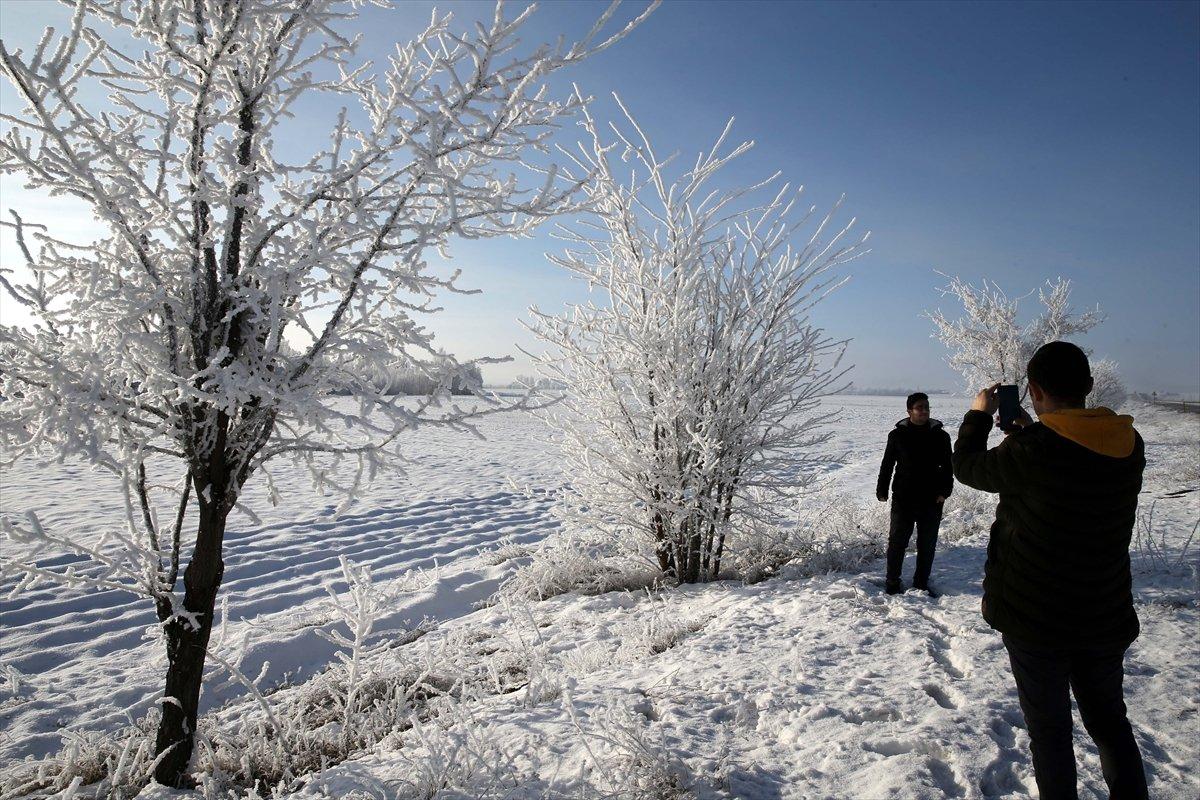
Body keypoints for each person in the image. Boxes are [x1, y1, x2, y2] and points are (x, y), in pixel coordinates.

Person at [953, 341, 1149, 800]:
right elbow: (1071, 457)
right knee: (1109, 723)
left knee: (1051, 731)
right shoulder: (1128, 442)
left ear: (1034, 390)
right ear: (1090, 387)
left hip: (1037, 618)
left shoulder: (1035, 450)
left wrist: (979, 415)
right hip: (1104, 612)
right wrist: (1029, 431)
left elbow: (968, 467)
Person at [876, 392, 953, 595]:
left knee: (927, 544)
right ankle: (892, 582)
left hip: (932, 498)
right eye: (920, 407)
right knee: (897, 542)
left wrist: (945, 492)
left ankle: (921, 582)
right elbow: (887, 464)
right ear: (909, 410)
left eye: (927, 407)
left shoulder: (941, 436)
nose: (924, 411)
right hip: (904, 497)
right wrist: (882, 489)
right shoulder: (897, 436)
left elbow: (947, 466)